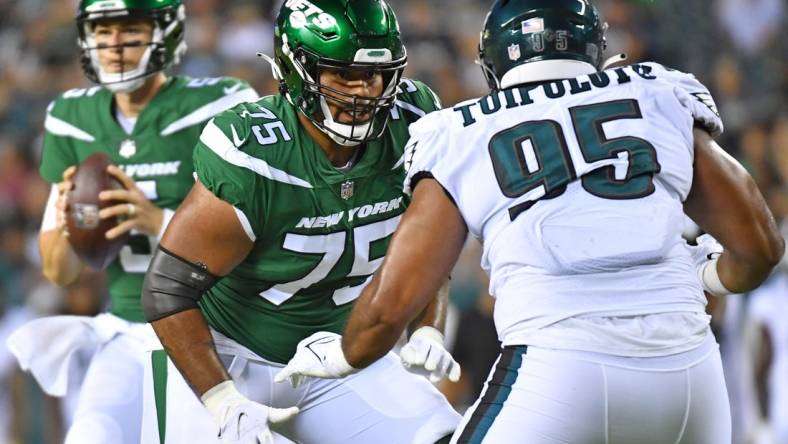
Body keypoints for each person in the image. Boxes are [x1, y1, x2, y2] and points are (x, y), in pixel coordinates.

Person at [274, 0, 787, 443]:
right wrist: (705, 275)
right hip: (690, 381)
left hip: (559, 376)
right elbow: (760, 248)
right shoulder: (655, 93)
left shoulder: (462, 130)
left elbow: (390, 308)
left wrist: (341, 356)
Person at [142, 0, 461, 443]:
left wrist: (428, 327)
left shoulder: (415, 123)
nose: (364, 92)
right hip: (226, 356)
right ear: (298, 71)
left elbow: (429, 243)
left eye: (374, 75)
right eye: (343, 75)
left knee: (442, 435)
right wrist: (223, 401)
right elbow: (166, 291)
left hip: (337, 355)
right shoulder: (255, 153)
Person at [6, 1, 258, 443]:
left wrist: (158, 221)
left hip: (216, 332)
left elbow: (255, 238)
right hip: (126, 328)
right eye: (102, 33)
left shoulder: (221, 104)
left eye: (130, 31)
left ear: (166, 34)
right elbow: (58, 272)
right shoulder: (72, 118)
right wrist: (70, 218)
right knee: (89, 436)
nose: (114, 46)